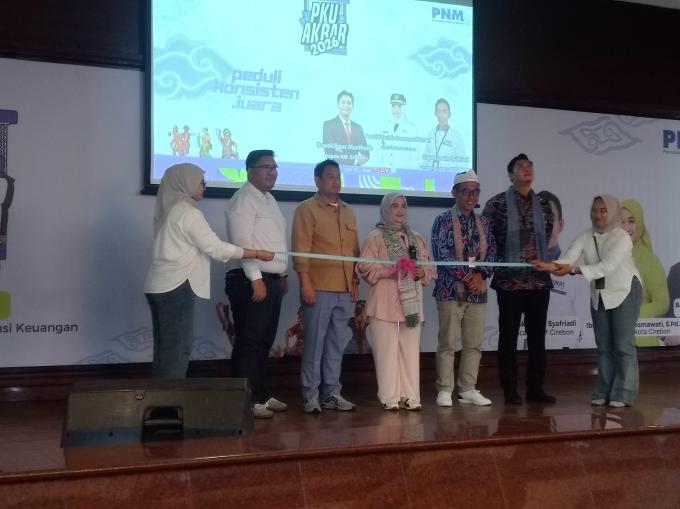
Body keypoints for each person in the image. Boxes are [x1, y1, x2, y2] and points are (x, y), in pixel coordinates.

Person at [144, 163, 273, 379]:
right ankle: (169, 398)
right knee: (177, 349)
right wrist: (257, 253)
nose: (204, 186)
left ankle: (161, 396)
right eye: (200, 182)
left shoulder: (171, 210)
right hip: (175, 286)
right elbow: (216, 248)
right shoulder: (187, 213)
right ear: (185, 183)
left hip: (161, 285)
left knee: (166, 349)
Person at [533, 195, 642, 407]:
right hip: (600, 293)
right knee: (603, 345)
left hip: (625, 291)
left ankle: (624, 393)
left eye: (603, 210)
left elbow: (606, 267)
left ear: (613, 212)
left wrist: (574, 270)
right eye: (594, 210)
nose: (598, 215)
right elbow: (568, 258)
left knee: (623, 345)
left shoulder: (622, 237)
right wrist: (550, 266)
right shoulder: (585, 235)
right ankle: (604, 390)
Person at [482, 153, 555, 405]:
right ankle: (510, 389)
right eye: (520, 166)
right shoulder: (496, 204)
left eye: (530, 165)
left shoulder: (543, 204)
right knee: (508, 337)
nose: (527, 169)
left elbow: (547, 236)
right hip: (509, 283)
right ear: (510, 175)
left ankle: (536, 388)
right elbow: (487, 240)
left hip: (538, 281)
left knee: (537, 338)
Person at [224, 150, 289, 418]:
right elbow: (242, 244)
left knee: (264, 340)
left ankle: (260, 393)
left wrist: (282, 274)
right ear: (250, 171)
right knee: (249, 341)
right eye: (266, 167)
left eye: (274, 167)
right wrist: (256, 278)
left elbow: (274, 241)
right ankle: (246, 400)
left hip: (270, 279)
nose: (272, 172)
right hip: (249, 280)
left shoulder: (269, 199)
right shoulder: (243, 199)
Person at [292, 159, 360, 414]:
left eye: (338, 176)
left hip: (344, 288)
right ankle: (310, 395)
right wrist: (305, 284)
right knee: (314, 344)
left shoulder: (348, 210)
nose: (336, 180)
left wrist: (354, 281)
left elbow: (354, 251)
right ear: (317, 180)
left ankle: (331, 393)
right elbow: (301, 249)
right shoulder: (306, 209)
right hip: (318, 287)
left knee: (336, 344)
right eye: (330, 176)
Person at [357, 193, 436, 410]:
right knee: (386, 352)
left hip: (411, 305)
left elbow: (429, 267)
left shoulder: (416, 238)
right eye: (395, 206)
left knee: (410, 351)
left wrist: (421, 272)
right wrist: (389, 271)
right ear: (385, 209)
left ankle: (411, 397)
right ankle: (390, 398)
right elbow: (364, 267)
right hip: (384, 304)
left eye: (403, 206)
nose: (400, 210)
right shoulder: (375, 237)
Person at [431, 170, 496, 407]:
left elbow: (492, 253)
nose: (471, 196)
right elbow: (441, 254)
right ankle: (444, 390)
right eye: (466, 191)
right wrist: (468, 276)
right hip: (449, 291)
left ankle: (468, 388)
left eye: (475, 191)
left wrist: (481, 275)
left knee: (473, 344)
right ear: (454, 193)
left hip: (478, 293)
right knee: (448, 343)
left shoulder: (484, 223)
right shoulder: (442, 220)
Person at [538, 190, 593, 349]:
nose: (546, 224)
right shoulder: (522, 269)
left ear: (561, 225)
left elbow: (586, 325)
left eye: (551, 218)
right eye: (540, 218)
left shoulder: (573, 270)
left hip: (562, 355)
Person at [619, 199, 669, 346]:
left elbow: (663, 302)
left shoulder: (650, 261)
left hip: (643, 343)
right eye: (621, 222)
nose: (626, 227)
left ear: (639, 223)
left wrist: (636, 313)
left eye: (631, 221)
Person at [322, 90, 369, 166]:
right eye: (343, 102)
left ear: (353, 106)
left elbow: (366, 153)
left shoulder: (358, 127)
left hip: (355, 170)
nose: (346, 105)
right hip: (336, 169)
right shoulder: (328, 125)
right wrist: (354, 161)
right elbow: (330, 151)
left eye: (349, 103)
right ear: (338, 105)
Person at [421, 98, 468, 171]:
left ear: (449, 114)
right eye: (439, 111)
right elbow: (426, 157)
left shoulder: (456, 136)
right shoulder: (430, 132)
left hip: (449, 176)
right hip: (431, 175)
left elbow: (463, 162)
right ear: (435, 113)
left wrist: (459, 177)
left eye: (444, 111)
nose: (441, 115)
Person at [377, 93, 419, 171]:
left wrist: (414, 175)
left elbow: (414, 157)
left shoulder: (411, 128)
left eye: (399, 106)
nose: (396, 109)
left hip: (403, 172)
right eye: (394, 106)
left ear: (404, 107)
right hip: (386, 171)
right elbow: (380, 153)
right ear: (391, 108)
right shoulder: (384, 126)